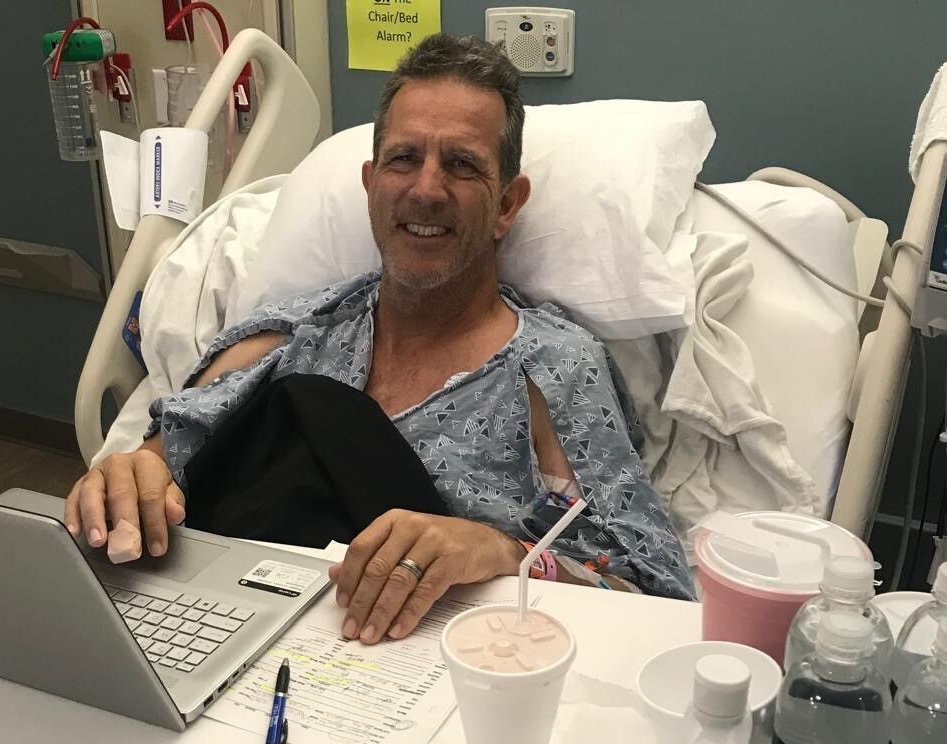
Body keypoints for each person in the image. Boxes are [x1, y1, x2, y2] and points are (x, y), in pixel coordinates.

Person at [65, 33, 694, 646]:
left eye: (462, 164)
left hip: (421, 670)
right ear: (370, 184)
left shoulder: (553, 371)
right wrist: (125, 480)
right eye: (403, 159)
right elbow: (157, 459)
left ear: (507, 204)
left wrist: (500, 551)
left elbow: (657, 594)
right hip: (220, 639)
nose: (426, 189)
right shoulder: (291, 336)